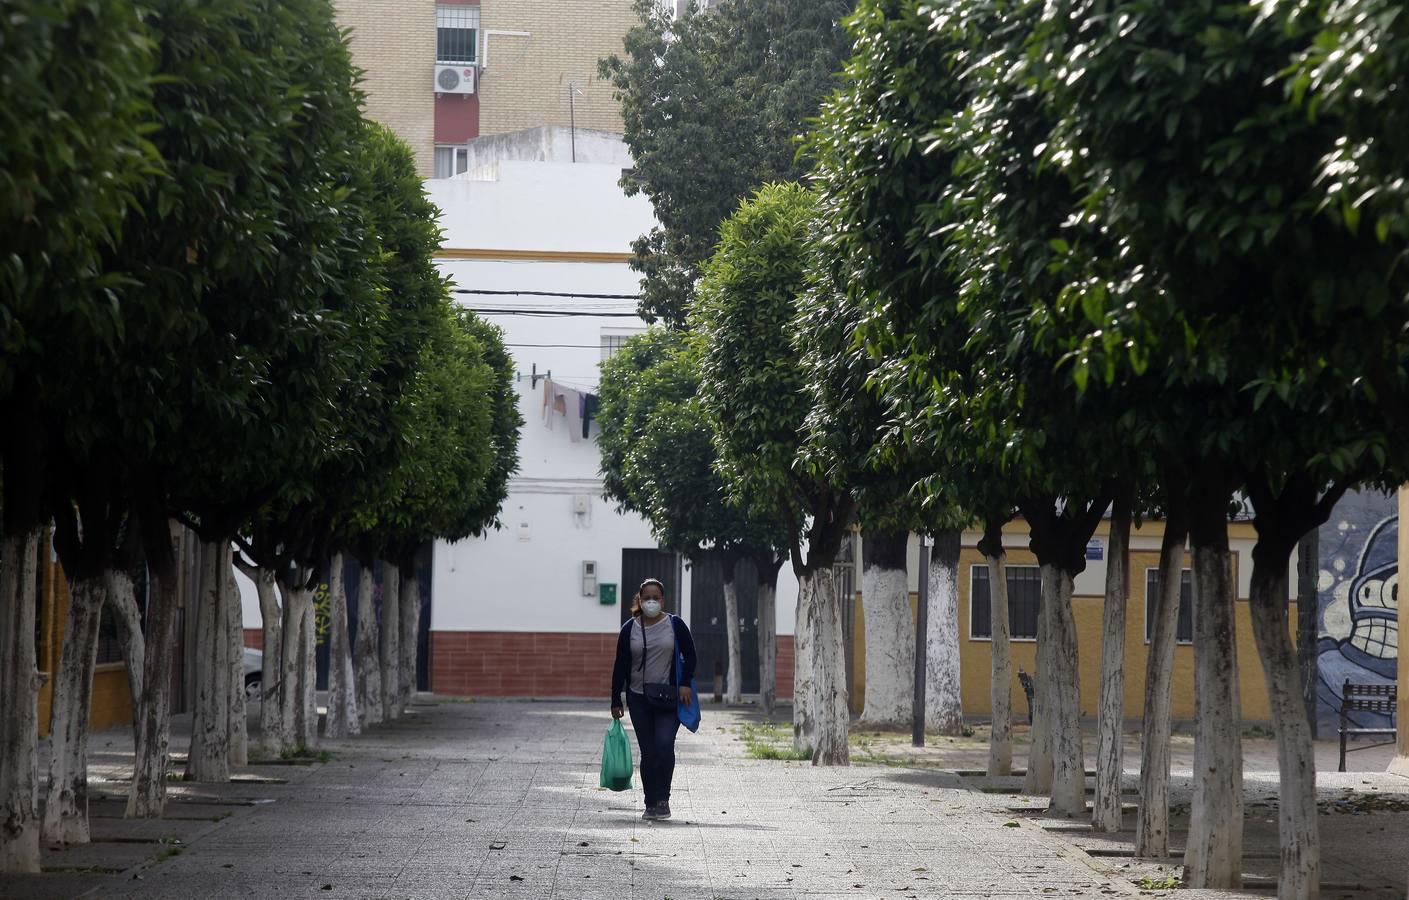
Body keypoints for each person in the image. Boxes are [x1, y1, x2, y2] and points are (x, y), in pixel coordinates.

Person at [610, 577, 696, 820]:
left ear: (662, 599)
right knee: (648, 751)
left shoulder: (675, 624)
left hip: (669, 697)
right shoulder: (629, 629)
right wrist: (615, 698)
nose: (650, 601)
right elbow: (621, 665)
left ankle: (663, 799)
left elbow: (691, 655)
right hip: (639, 698)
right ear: (640, 599)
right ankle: (650, 802)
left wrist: (686, 683)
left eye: (655, 597)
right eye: (646, 597)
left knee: (664, 745)